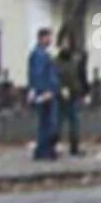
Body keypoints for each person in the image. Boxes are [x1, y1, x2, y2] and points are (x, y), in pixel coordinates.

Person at [27, 27, 60, 160]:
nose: (50, 40)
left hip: (45, 92)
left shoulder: (40, 53)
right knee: (48, 123)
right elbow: (39, 74)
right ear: (42, 38)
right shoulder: (40, 55)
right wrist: (45, 91)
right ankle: (44, 151)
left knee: (46, 123)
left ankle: (44, 150)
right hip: (45, 93)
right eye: (48, 37)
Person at [56, 42, 89, 156]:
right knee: (59, 122)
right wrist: (60, 88)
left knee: (74, 122)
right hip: (61, 96)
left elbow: (81, 76)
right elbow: (54, 77)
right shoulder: (56, 62)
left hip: (74, 95)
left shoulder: (75, 61)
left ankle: (74, 146)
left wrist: (85, 92)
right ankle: (57, 145)